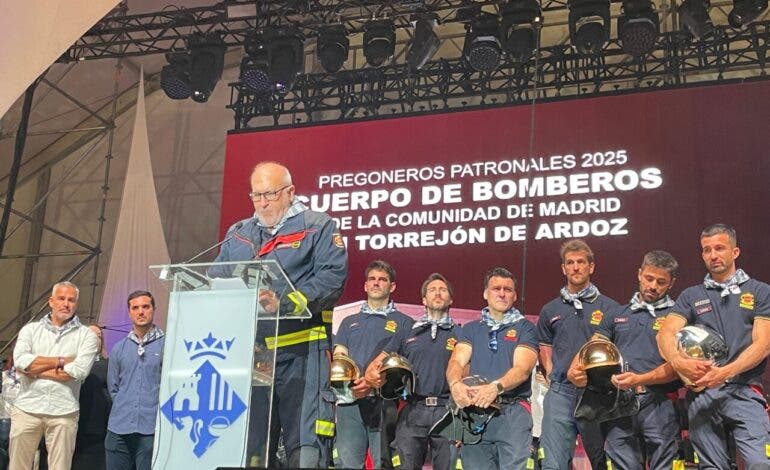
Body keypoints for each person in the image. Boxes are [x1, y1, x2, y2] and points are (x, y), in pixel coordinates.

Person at [211, 161, 348, 468]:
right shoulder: (239, 233)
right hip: (253, 352)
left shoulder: (318, 225)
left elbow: (331, 277)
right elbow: (216, 277)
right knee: (253, 444)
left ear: (290, 192)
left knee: (305, 441)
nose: (262, 202)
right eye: (256, 195)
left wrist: (283, 301)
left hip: (303, 350)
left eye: (270, 194)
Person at [657, 224, 770, 469]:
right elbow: (665, 333)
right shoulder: (691, 295)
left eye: (719, 248)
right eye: (707, 250)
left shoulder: (760, 291)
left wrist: (725, 372)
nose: (713, 255)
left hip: (745, 391)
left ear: (735, 252)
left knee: (759, 464)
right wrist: (678, 361)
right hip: (702, 396)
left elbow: (763, 344)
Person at [567, 250, 682, 470]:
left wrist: (640, 378)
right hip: (619, 404)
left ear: (671, 283)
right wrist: (575, 369)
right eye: (649, 278)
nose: (653, 286)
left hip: (660, 403)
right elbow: (594, 345)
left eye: (661, 282)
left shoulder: (678, 315)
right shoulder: (616, 314)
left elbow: (679, 366)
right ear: (639, 274)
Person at [537, 239, 619, 470]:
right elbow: (545, 345)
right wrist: (553, 373)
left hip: (599, 394)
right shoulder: (550, 310)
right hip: (561, 394)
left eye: (581, 262)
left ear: (591, 267)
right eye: (570, 263)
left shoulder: (610, 308)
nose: (575, 267)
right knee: (553, 463)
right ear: (563, 268)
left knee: (604, 462)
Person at [445, 267, 538, 469]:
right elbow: (456, 362)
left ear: (514, 296)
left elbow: (522, 369)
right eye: (496, 288)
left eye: (508, 289)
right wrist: (455, 384)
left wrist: (495, 387)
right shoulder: (471, 329)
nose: (502, 293)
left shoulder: (526, 328)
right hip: (476, 412)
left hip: (512, 412)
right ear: (486, 293)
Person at [365, 273, 461, 470]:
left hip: (448, 410)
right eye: (432, 290)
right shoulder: (407, 331)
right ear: (424, 300)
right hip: (412, 409)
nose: (437, 293)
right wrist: (371, 374)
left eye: (443, 290)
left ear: (451, 299)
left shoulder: (461, 333)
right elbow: (382, 359)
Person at [9, 281, 99, 470]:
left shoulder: (87, 335)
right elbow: (21, 362)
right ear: (51, 301)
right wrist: (60, 361)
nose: (66, 304)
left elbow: (78, 371)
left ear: (76, 304)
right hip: (27, 409)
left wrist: (35, 369)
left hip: (63, 412)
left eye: (71, 300)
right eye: (61, 298)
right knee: (18, 466)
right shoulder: (30, 330)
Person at [332, 260, 413, 469]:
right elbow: (340, 357)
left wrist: (372, 383)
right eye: (372, 279)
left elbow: (402, 362)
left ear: (392, 287)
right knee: (347, 464)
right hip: (351, 401)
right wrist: (355, 385)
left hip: (385, 403)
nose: (376, 283)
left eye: (382, 279)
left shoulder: (405, 322)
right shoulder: (349, 321)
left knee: (383, 463)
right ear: (365, 286)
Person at [105, 291, 164, 470]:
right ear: (129, 312)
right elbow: (113, 388)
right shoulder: (118, 348)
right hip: (119, 427)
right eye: (135, 308)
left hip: (152, 428)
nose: (140, 312)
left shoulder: (167, 344)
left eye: (145, 307)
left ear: (154, 309)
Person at [72, 325, 111, 470]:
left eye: (99, 336)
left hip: (98, 429)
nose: (95, 338)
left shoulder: (108, 364)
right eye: (91, 334)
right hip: (74, 423)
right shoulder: (72, 363)